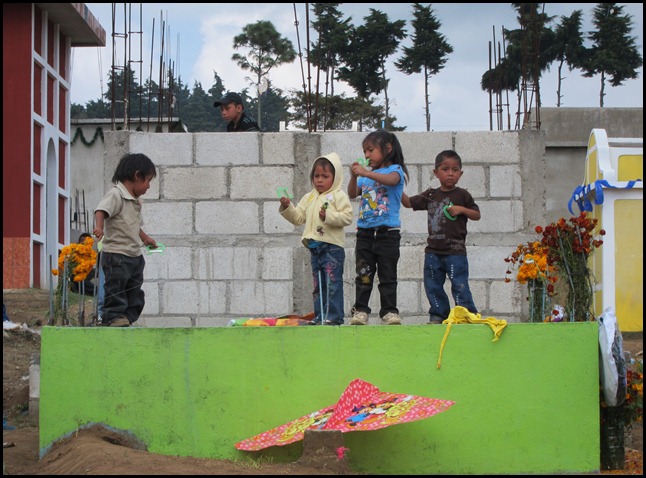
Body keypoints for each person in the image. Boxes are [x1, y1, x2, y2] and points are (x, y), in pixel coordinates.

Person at [401, 149, 481, 324]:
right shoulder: (431, 195)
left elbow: (476, 214)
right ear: (436, 172)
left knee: (459, 284)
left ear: (461, 173)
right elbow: (408, 203)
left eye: (455, 170)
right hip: (433, 252)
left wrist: (461, 209)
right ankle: (438, 314)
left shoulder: (463, 195)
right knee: (433, 286)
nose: (450, 173)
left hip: (455, 252)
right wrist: (395, 186)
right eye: (445, 169)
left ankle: (466, 314)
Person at [279, 152, 353, 325]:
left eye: (325, 176)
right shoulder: (310, 196)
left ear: (335, 178)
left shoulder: (338, 196)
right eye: (316, 176)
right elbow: (298, 218)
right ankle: (320, 316)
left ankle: (334, 317)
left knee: (333, 284)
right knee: (318, 285)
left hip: (332, 248)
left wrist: (328, 216)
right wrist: (287, 206)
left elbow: (348, 217)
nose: (319, 180)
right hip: (315, 247)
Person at [347, 130, 409, 326]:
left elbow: (391, 181)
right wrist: (353, 177)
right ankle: (361, 310)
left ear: (387, 148)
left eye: (370, 150)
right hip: (365, 234)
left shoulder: (395, 170)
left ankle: (389, 311)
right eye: (364, 151)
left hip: (387, 234)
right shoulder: (365, 176)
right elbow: (352, 193)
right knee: (364, 275)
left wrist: (365, 172)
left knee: (387, 275)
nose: (366, 155)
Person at [93, 153, 158, 327]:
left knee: (134, 291)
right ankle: (113, 318)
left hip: (134, 255)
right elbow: (101, 210)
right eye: (148, 180)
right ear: (137, 176)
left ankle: (126, 318)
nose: (149, 186)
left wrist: (146, 239)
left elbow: (135, 226)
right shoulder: (116, 194)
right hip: (117, 255)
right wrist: (99, 227)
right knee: (116, 289)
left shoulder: (135, 201)